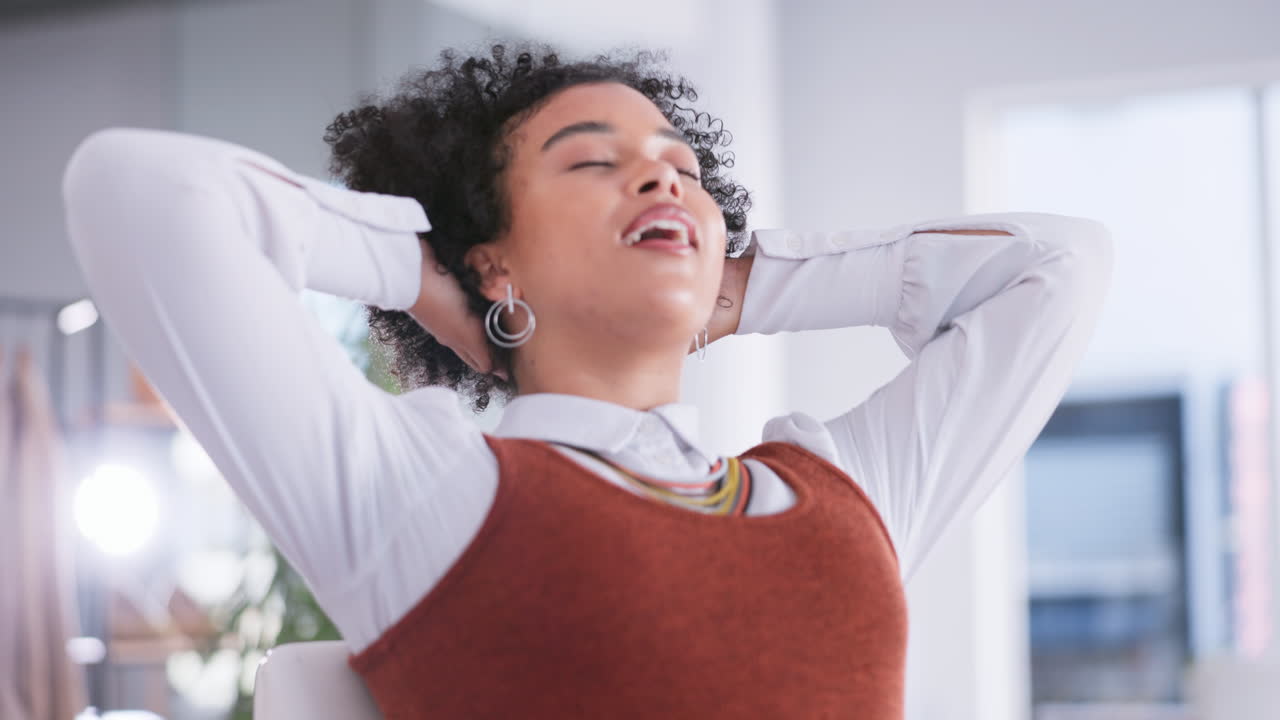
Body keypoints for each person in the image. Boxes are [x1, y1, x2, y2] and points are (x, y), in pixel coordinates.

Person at [61, 41, 1112, 719]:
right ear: (492, 260)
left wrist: (734, 284)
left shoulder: (845, 494)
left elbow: (1055, 267)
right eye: (589, 160)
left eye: (683, 173)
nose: (661, 176)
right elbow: (137, 190)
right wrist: (418, 271)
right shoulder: (427, 498)